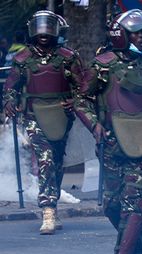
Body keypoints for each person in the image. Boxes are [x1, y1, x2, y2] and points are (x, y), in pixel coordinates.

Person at [75, 10, 142, 254]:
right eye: (136, 32)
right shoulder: (102, 65)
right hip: (112, 144)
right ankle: (135, 238)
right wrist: (94, 125)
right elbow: (82, 100)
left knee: (133, 202)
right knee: (111, 205)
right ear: (121, 35)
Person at [2, 11, 84, 235]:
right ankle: (47, 210)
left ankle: (54, 204)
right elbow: (11, 87)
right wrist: (9, 103)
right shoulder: (22, 58)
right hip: (33, 116)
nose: (43, 32)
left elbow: (84, 87)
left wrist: (74, 101)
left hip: (60, 116)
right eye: (39, 27)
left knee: (56, 160)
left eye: (48, 27)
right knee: (45, 158)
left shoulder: (68, 57)